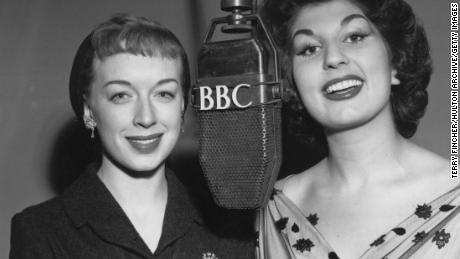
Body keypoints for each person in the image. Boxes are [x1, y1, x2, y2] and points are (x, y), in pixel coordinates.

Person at [10, 14, 254, 259]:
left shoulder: (229, 226)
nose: (146, 118)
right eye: (121, 96)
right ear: (89, 111)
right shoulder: (41, 232)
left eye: (164, 94)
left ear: (182, 106)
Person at [256, 0, 460, 258]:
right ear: (291, 83)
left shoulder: (454, 195)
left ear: (395, 62)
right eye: (309, 49)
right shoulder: (273, 208)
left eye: (354, 37)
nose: (332, 58)